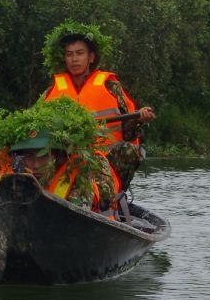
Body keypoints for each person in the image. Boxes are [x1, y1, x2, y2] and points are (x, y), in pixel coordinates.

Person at [38, 21, 155, 193]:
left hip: (104, 162)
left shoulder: (110, 86)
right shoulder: (52, 91)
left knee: (128, 150)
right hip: (65, 160)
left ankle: (110, 196)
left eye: (80, 53)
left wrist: (139, 118)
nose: (74, 59)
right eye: (69, 54)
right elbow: (33, 127)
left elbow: (128, 132)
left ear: (91, 57)